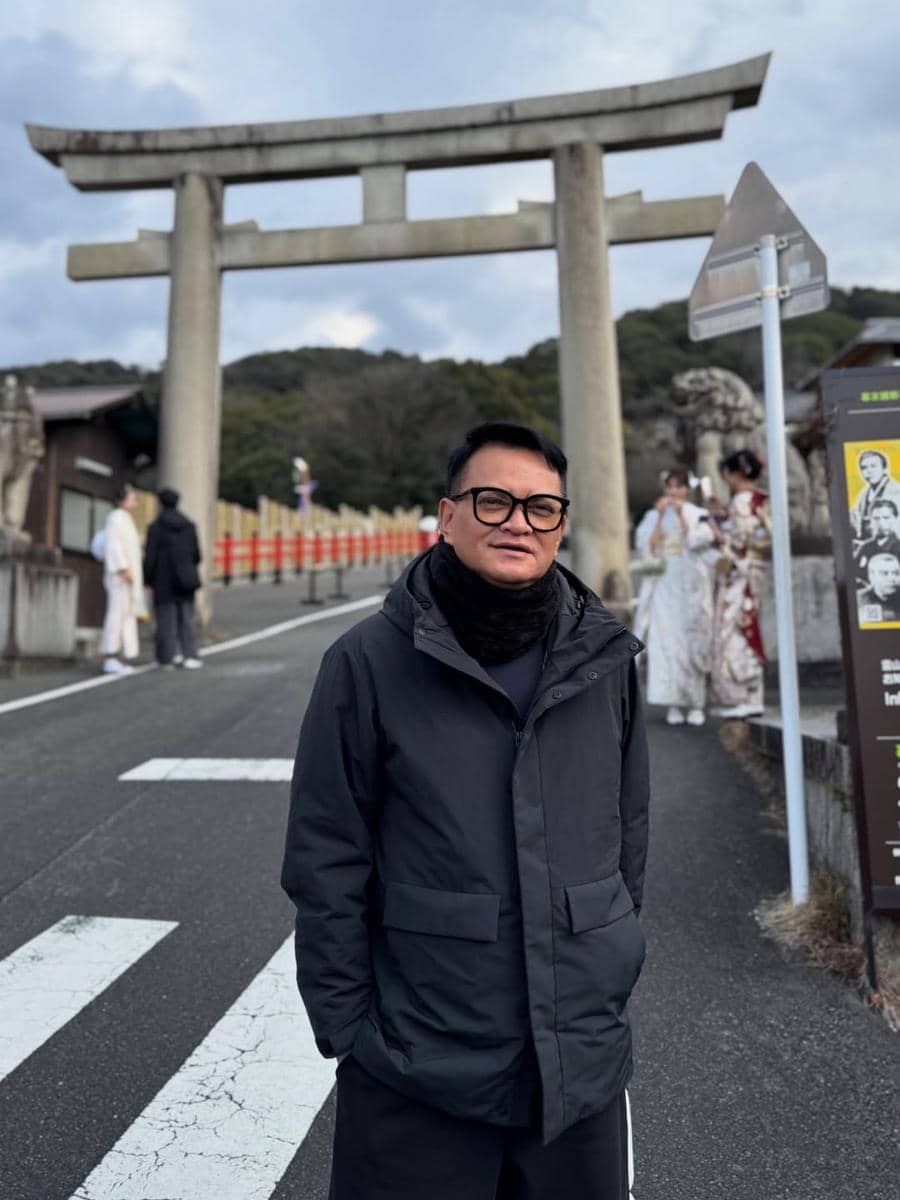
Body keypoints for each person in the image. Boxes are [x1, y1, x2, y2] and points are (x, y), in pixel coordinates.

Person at [282, 421, 649, 1200]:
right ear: (446, 517)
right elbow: (325, 854)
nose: (519, 521)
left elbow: (629, 828)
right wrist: (349, 1028)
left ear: (561, 524)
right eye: (494, 500)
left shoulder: (604, 655)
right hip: (418, 1060)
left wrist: (610, 956)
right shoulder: (369, 661)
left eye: (542, 508)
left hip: (577, 1061)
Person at [632, 468, 715, 726]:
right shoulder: (653, 514)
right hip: (664, 584)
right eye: (670, 487)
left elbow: (699, 542)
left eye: (679, 487)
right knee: (665, 642)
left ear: (687, 489)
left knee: (693, 641)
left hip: (691, 584)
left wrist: (681, 515)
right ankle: (672, 702)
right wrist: (658, 516)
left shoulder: (698, 514)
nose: (674, 492)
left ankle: (696, 702)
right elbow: (647, 547)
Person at [709, 449, 771, 719]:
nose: (727, 481)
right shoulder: (762, 499)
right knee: (748, 626)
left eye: (727, 475)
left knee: (736, 630)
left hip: (742, 573)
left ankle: (748, 694)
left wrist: (717, 532)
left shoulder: (742, 501)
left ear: (736, 474)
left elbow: (739, 541)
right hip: (757, 570)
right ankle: (750, 694)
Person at [143, 487, 203, 669]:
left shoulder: (156, 528)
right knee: (186, 618)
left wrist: (147, 579)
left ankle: (166, 658)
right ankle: (190, 655)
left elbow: (150, 557)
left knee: (165, 620)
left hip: (163, 579)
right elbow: (197, 555)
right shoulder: (189, 526)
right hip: (185, 578)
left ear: (161, 504)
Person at [99, 482, 147, 675]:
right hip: (120, 577)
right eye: (132, 497)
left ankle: (118, 655)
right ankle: (110, 655)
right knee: (116, 615)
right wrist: (122, 568)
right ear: (123, 500)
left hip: (127, 577)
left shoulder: (123, 518)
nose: (135, 501)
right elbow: (113, 546)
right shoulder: (116, 518)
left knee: (125, 615)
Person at [849, 449, 900, 542]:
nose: (869, 471)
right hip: (868, 543)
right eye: (864, 467)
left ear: (885, 469)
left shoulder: (895, 490)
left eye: (873, 466)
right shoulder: (863, 493)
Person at [853, 499, 900, 584]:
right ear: (870, 521)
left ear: (895, 519)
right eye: (876, 518)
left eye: (886, 518)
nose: (881, 523)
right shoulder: (865, 547)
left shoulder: (898, 547)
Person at [856, 551, 900, 624]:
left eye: (896, 573)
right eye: (884, 573)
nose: (892, 578)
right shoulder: (858, 600)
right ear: (871, 576)